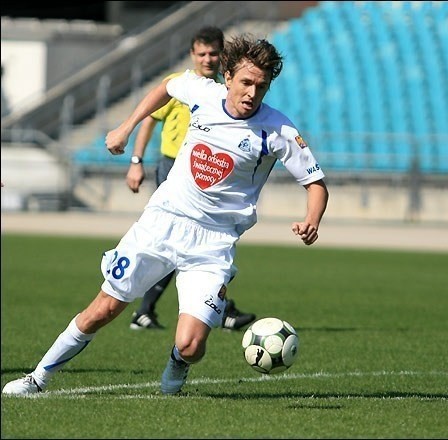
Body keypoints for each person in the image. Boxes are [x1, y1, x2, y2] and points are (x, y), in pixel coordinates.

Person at [2, 35, 329, 396]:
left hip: (214, 242)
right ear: (228, 76)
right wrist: (126, 127)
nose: (252, 92)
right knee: (103, 308)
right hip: (161, 223)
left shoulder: (278, 130)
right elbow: (166, 87)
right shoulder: (201, 92)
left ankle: (176, 364)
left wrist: (311, 220)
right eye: (246, 82)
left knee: (191, 346)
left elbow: (315, 182)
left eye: (261, 86)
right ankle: (37, 379)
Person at [125, 25, 256, 331]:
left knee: (203, 242)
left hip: (209, 174)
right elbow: (148, 120)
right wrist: (136, 161)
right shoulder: (183, 86)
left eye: (214, 53)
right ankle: (214, 310)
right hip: (174, 168)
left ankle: (214, 308)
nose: (208, 59)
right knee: (180, 242)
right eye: (202, 54)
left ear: (223, 56)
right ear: (192, 55)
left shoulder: (227, 93)